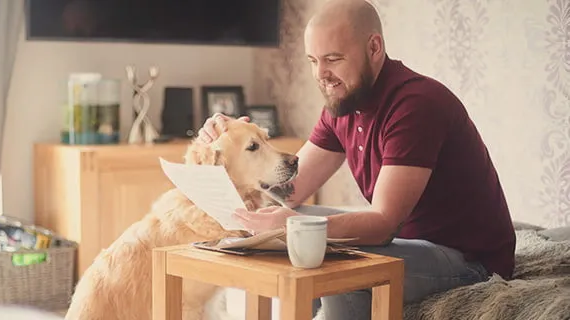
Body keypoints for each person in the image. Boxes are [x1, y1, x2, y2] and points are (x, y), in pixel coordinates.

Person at [195, 0, 516, 318]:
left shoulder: (415, 105)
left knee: (327, 251)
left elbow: (382, 224)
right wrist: (232, 143)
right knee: (285, 220)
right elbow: (287, 190)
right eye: (313, 60)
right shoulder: (344, 102)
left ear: (374, 47)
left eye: (333, 59)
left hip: (470, 260)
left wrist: (293, 224)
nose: (321, 74)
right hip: (411, 242)